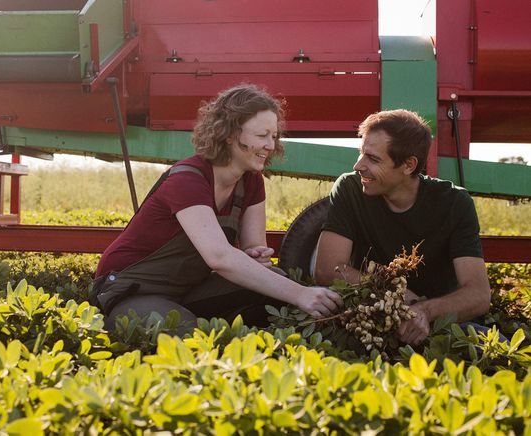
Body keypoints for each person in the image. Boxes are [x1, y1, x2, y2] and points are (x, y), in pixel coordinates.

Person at [91, 84, 343, 333]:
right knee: (187, 336)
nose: (270, 144)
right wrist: (301, 294)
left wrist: (255, 255)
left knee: (272, 282)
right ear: (230, 134)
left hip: (187, 289)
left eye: (274, 136)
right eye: (261, 135)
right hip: (130, 289)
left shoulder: (250, 181)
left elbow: (253, 251)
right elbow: (219, 257)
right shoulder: (187, 179)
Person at [314, 109, 491, 345]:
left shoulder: (454, 203)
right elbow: (327, 269)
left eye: (373, 159)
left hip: (438, 323)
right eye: (361, 153)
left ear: (408, 165)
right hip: (369, 318)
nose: (358, 165)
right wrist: (395, 294)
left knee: (494, 348)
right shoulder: (350, 188)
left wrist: (424, 311)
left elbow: (479, 295)